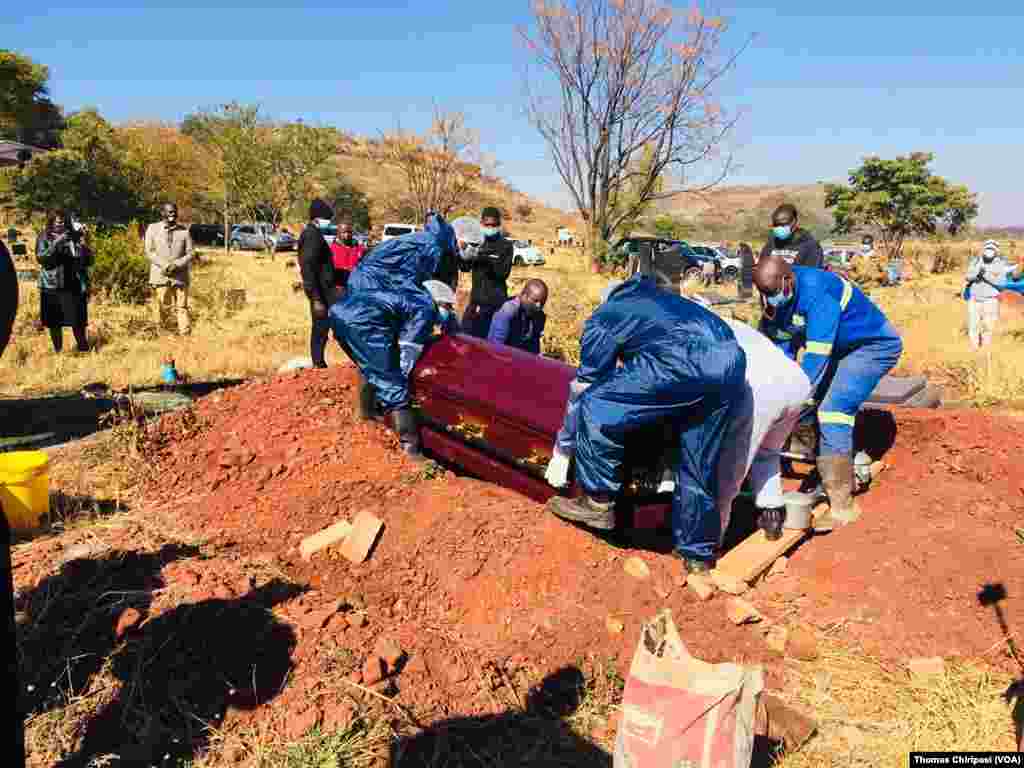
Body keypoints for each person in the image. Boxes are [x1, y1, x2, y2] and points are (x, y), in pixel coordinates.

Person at [542, 275, 747, 574]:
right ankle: (697, 556)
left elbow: (585, 386)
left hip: (687, 360)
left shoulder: (607, 315)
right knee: (698, 460)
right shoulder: (664, 303)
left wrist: (563, 449)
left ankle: (597, 503)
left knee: (597, 405)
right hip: (731, 361)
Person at [754, 255, 903, 531]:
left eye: (774, 295)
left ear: (789, 281)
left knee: (833, 410)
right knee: (803, 401)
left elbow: (816, 359)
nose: (770, 301)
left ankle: (842, 504)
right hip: (836, 348)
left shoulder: (819, 292)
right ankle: (821, 451)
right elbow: (777, 350)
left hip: (870, 347)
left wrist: (793, 395)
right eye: (766, 296)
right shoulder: (774, 298)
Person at [330, 213, 463, 457]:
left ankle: (368, 416)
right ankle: (410, 450)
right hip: (364, 323)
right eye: (445, 308)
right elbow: (407, 350)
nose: (445, 313)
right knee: (393, 383)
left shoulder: (407, 287)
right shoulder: (423, 305)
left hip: (344, 311)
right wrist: (403, 376)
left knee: (370, 365)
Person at [714, 318, 812, 543]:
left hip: (760, 389)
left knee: (728, 474)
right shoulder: (726, 321)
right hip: (795, 381)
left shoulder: (691, 326)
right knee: (767, 452)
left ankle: (709, 543)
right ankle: (772, 515)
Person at [36, 211, 92, 353]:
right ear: (51, 222)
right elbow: (42, 258)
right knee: (55, 323)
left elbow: (89, 261)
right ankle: (58, 352)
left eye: (63, 221)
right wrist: (57, 242)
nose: (60, 224)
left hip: (74, 284)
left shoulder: (74, 237)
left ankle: (84, 349)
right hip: (52, 285)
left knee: (78, 321)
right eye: (57, 221)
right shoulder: (44, 237)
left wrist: (85, 243)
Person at [459, 206, 514, 338]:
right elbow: (465, 268)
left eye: (493, 225)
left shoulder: (506, 246)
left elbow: (502, 273)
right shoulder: (476, 242)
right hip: (476, 302)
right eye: (487, 224)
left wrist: (482, 257)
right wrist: (463, 252)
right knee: (466, 339)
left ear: (499, 225)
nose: (490, 228)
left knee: (491, 345)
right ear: (481, 224)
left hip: (496, 305)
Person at [298, 199, 338, 369]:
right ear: (318, 218)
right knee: (320, 328)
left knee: (323, 327)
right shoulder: (312, 235)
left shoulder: (314, 233)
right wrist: (316, 298)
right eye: (327, 218)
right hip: (320, 292)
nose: (329, 222)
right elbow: (308, 267)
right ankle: (318, 362)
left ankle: (319, 361)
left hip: (323, 290)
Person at [145, 203, 194, 336]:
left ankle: (185, 334)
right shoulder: (152, 228)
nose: (172, 214)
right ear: (162, 213)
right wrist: (165, 265)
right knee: (163, 307)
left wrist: (177, 265)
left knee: (182, 307)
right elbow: (149, 252)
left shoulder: (184, 230)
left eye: (174, 212)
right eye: (169, 212)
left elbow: (190, 253)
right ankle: (166, 334)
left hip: (180, 276)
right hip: (161, 275)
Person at [964, 239, 1021, 349]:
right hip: (974, 298)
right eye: (988, 248)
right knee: (973, 325)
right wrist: (976, 275)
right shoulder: (975, 261)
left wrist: (986, 276)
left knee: (988, 325)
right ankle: (973, 346)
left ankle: (986, 348)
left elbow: (1001, 284)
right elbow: (968, 276)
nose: (989, 250)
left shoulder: (1000, 265)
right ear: (984, 249)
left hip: (990, 300)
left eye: (992, 248)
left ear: (996, 251)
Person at [487, 279, 548, 354]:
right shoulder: (508, 311)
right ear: (524, 296)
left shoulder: (539, 316)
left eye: (542, 303)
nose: (538, 306)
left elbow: (534, 349)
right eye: (535, 301)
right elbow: (495, 347)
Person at [759, 204, 823, 268]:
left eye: (783, 225)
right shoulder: (771, 244)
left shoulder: (811, 247)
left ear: (794, 222)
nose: (779, 228)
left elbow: (811, 274)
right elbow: (761, 269)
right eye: (776, 225)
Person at [329, 217, 366, 296]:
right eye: (344, 232)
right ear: (338, 233)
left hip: (356, 288)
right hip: (338, 288)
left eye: (349, 232)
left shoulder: (359, 248)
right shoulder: (331, 249)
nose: (347, 235)